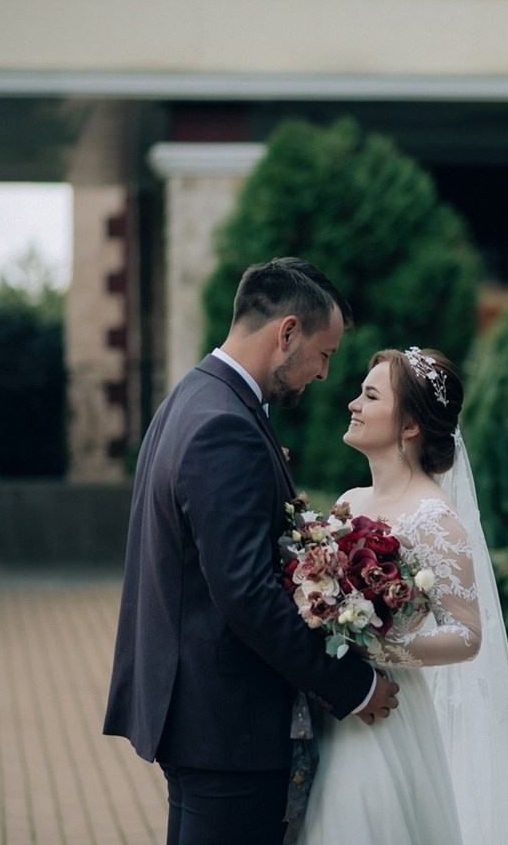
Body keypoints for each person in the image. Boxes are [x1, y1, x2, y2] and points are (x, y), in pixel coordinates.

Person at [102, 257, 400, 845]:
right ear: (286, 332)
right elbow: (246, 595)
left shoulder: (190, 400)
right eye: (325, 353)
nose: (321, 374)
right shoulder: (225, 427)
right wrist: (353, 687)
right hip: (227, 723)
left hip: (195, 713)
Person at [297, 347, 508, 844]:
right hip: (331, 703)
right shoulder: (349, 501)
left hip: (386, 714)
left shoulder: (434, 518)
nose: (352, 404)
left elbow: (467, 635)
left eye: (369, 395)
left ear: (409, 426)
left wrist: (381, 644)